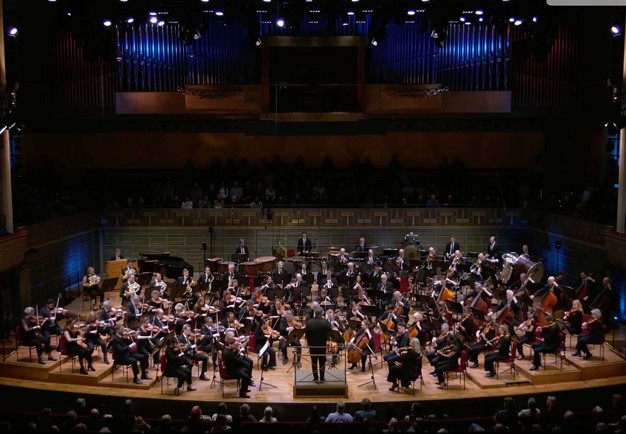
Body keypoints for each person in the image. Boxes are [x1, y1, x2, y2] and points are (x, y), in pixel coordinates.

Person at [305, 308, 332, 383]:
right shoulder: (325, 322)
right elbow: (330, 330)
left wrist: (309, 343)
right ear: (321, 314)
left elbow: (306, 335)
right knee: (322, 362)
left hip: (312, 346)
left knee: (314, 362)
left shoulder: (309, 322)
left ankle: (315, 378)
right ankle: (322, 378)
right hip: (322, 346)